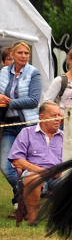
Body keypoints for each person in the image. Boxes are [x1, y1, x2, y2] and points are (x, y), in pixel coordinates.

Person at [7, 101, 64, 226]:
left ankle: (65, 221)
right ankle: (33, 221)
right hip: (35, 173)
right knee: (32, 178)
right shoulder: (27, 133)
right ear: (42, 117)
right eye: (53, 115)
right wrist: (43, 172)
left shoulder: (65, 137)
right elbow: (17, 160)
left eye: (59, 115)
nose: (58, 119)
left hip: (59, 176)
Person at [0, 41, 42, 207]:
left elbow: (33, 101)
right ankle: (27, 196)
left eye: (26, 53)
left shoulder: (34, 73)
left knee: (26, 165)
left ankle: (23, 203)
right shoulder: (4, 72)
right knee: (5, 166)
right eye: (20, 53)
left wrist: (10, 102)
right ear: (13, 55)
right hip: (8, 125)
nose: (23, 56)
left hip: (27, 125)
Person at [43, 46, 72, 117]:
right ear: (70, 60)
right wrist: (59, 116)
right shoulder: (60, 80)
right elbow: (46, 103)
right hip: (63, 123)